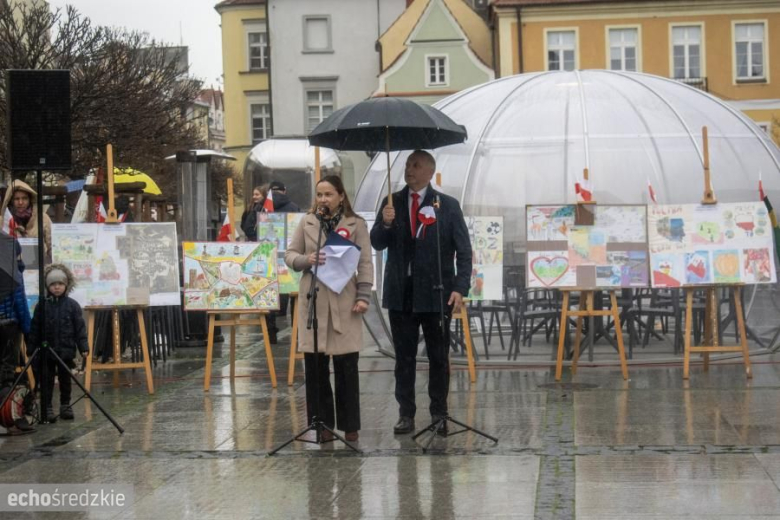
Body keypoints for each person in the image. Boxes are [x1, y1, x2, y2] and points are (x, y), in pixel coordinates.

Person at [370, 149, 472, 436]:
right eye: (407, 165)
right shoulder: (392, 203)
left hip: (436, 293)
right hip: (401, 293)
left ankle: (439, 412)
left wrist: (459, 288)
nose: (409, 170)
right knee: (405, 358)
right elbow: (377, 242)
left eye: (415, 165)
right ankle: (406, 413)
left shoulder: (446, 205)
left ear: (430, 171)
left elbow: (464, 251)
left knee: (439, 357)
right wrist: (386, 223)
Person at [285, 175, 373, 442]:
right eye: (319, 195)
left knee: (347, 367)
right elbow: (290, 255)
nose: (323, 200)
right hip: (314, 302)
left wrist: (363, 296)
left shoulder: (356, 224)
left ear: (341, 196)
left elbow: (366, 263)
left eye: (329, 194)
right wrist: (306, 259)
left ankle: (350, 425)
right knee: (316, 368)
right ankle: (321, 424)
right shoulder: (308, 222)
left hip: (345, 302)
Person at [29, 264, 88, 422]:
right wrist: (31, 348)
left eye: (60, 284)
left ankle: (65, 405)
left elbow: (80, 328)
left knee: (65, 379)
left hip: (66, 350)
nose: (57, 287)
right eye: (53, 284)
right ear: (48, 286)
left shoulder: (72, 306)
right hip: (46, 352)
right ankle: (46, 407)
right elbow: (35, 327)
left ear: (66, 285)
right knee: (46, 380)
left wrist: (83, 347)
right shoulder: (42, 306)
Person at [0, 231, 33, 432]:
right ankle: (8, 414)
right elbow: (20, 304)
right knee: (6, 371)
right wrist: (28, 330)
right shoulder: (12, 273)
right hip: (9, 326)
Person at [0, 180, 52, 261]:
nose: (20, 202)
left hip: (39, 268)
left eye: (24, 198)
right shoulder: (3, 221)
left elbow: (52, 247)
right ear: (10, 200)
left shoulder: (43, 218)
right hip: (10, 268)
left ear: (30, 200)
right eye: (16, 199)